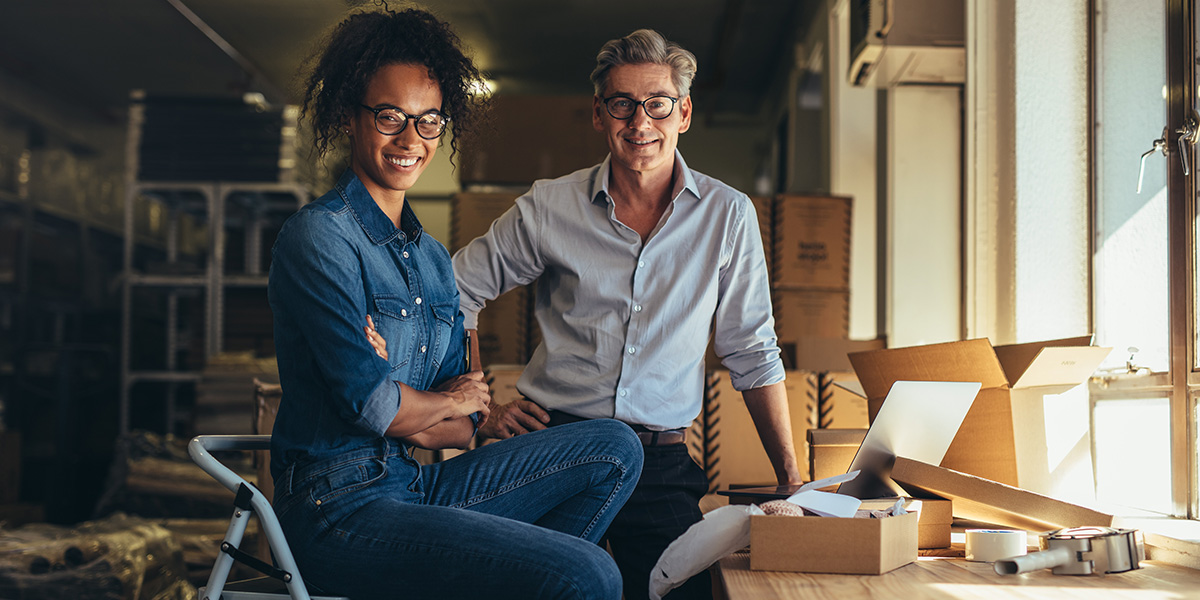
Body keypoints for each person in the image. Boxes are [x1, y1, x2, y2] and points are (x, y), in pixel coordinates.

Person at [267, 8, 643, 599]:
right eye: (390, 117)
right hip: (335, 509)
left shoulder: (435, 260)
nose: (410, 140)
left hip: (410, 488)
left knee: (617, 448)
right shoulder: (320, 238)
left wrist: (428, 403)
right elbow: (376, 408)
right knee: (588, 573)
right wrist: (429, 403)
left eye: (428, 122)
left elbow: (461, 430)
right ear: (350, 115)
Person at [452, 29, 803, 600]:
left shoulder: (728, 216)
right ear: (599, 114)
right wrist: (478, 408)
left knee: (685, 593)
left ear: (683, 112)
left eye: (657, 104)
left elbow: (752, 350)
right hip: (553, 449)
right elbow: (454, 292)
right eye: (622, 104)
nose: (640, 122)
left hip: (659, 463)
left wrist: (791, 479)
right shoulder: (549, 206)